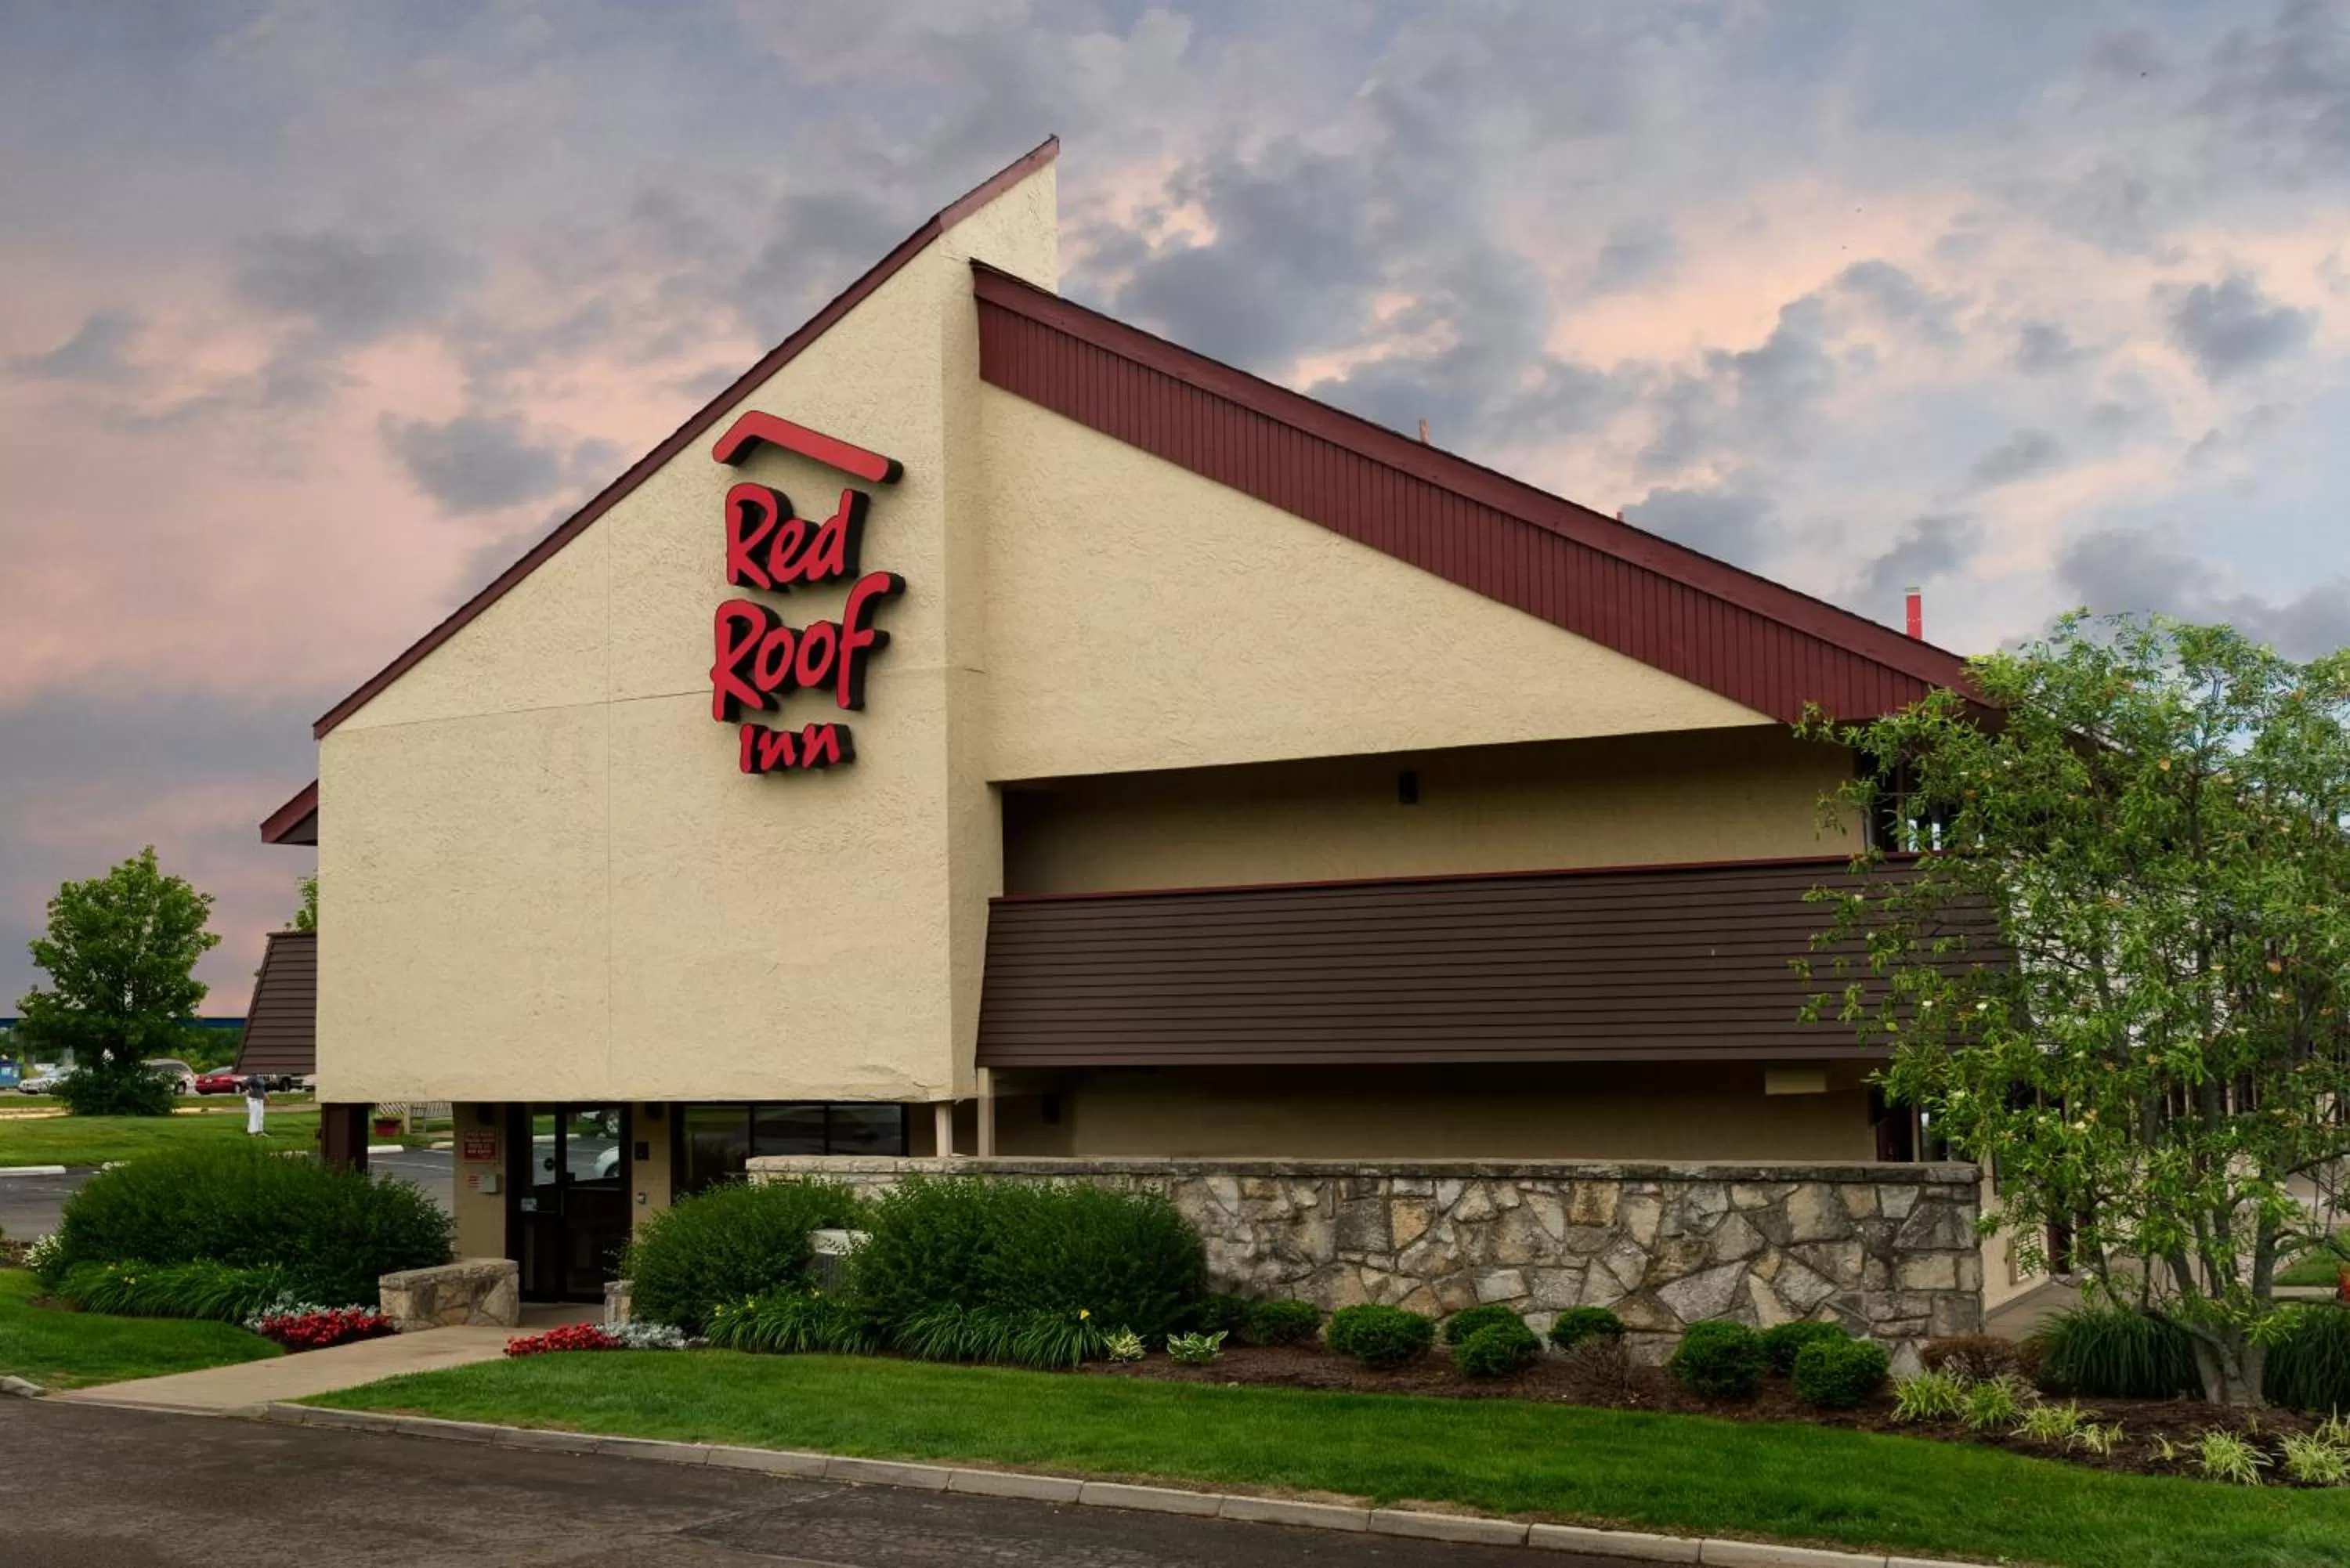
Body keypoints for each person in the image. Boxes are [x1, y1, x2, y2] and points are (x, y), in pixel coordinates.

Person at [244, 1072, 269, 1136]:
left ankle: (260, 1131)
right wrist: (249, 1087)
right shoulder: (253, 1077)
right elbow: (245, 1083)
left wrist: (265, 1096)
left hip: (260, 1099)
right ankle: (252, 1132)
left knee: (260, 1116)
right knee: (254, 1115)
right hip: (253, 1099)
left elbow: (262, 1088)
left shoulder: (261, 1077)